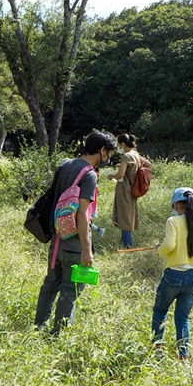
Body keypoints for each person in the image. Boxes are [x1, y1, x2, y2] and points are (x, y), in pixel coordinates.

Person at [34, 131, 117, 334]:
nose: (108, 160)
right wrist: (87, 249)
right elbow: (82, 214)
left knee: (51, 284)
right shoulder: (89, 174)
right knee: (70, 291)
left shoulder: (66, 164)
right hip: (74, 244)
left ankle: (39, 327)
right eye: (110, 155)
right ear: (102, 150)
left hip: (57, 239)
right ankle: (59, 336)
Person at [151, 187, 193, 362]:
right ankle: (184, 358)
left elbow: (168, 245)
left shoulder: (173, 221)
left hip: (174, 275)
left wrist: (159, 249)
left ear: (175, 204)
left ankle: (157, 350)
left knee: (160, 310)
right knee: (183, 318)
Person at [107, 134, 152, 248]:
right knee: (127, 214)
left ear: (122, 144)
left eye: (119, 144)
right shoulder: (136, 154)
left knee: (124, 217)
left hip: (125, 188)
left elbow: (120, 174)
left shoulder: (126, 156)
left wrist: (112, 176)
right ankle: (124, 243)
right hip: (133, 188)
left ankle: (128, 246)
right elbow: (149, 165)